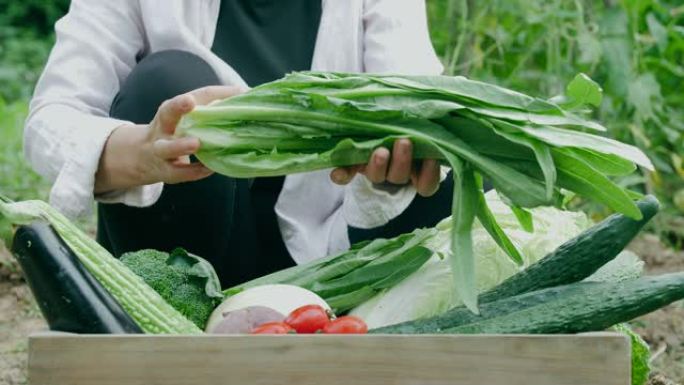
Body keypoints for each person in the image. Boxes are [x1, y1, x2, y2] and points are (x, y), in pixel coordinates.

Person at [25, 0, 453, 286]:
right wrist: (142, 151)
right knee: (166, 82)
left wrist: (404, 150)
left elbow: (412, 86)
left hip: (331, 252)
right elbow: (52, 118)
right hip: (189, 240)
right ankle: (175, 332)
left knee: (450, 136)